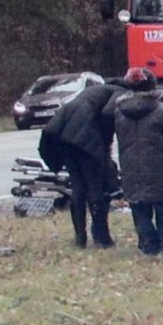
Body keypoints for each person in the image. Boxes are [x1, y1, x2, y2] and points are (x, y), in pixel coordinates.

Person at [39, 78, 127, 248]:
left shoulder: (97, 90)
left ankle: (80, 239)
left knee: (78, 186)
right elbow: (108, 114)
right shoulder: (120, 91)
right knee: (95, 188)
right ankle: (102, 239)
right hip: (86, 138)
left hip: (63, 137)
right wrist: (105, 145)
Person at [114, 68, 163, 262]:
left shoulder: (119, 112)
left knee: (139, 209)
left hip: (130, 167)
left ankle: (148, 246)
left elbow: (120, 138)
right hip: (159, 167)